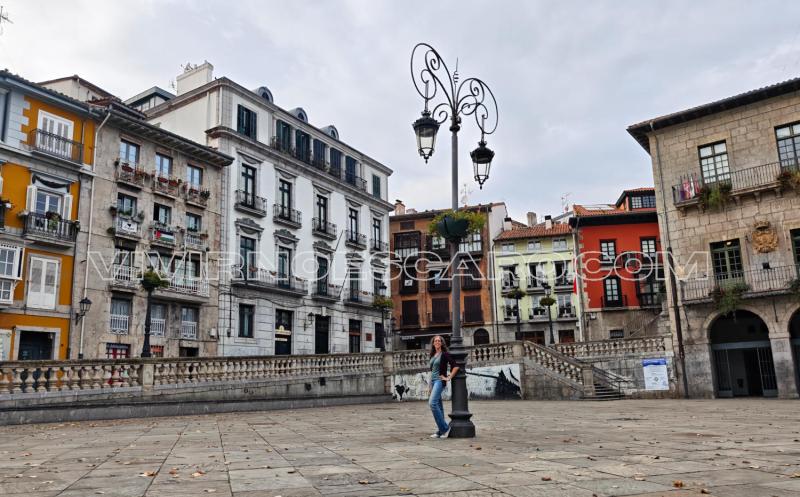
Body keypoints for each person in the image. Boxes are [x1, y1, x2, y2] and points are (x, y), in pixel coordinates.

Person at [427, 335, 459, 438]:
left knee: (432, 403)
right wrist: (430, 386)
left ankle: (445, 428)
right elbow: (432, 371)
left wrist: (448, 377)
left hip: (439, 381)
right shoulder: (433, 355)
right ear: (433, 343)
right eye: (435, 341)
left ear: (441, 343)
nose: (437, 342)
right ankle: (440, 431)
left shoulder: (444, 354)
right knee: (439, 407)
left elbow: (455, 366)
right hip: (433, 382)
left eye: (439, 341)